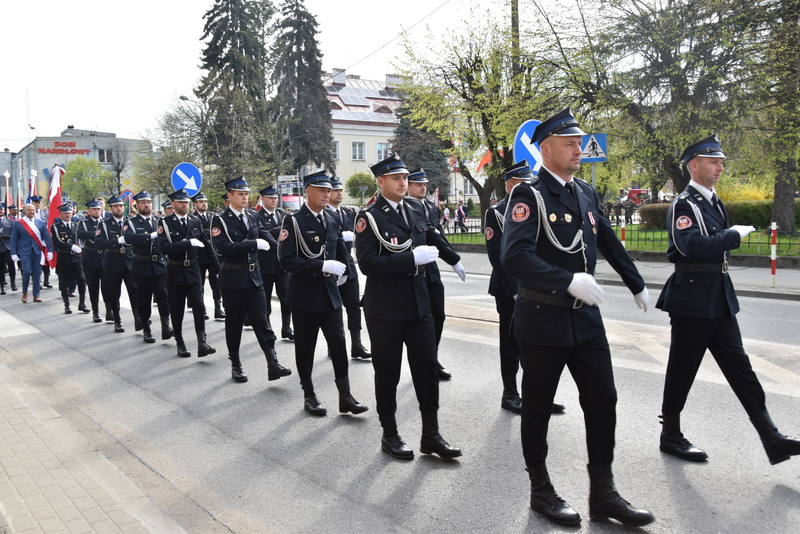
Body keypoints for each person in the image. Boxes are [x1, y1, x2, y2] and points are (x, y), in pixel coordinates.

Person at [501, 109, 653, 527]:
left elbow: (605, 236)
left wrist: (635, 281)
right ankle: (541, 490)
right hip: (542, 317)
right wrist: (567, 280)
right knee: (536, 410)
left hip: (585, 320)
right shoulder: (528, 195)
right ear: (545, 149)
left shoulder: (584, 191)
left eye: (579, 142)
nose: (578, 149)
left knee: (604, 401)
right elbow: (514, 257)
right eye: (569, 143)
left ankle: (603, 493)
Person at [655, 135, 800, 465]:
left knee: (741, 369)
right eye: (713, 161)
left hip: (718, 296)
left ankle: (771, 438)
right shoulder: (684, 204)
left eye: (721, 162)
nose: (720, 167)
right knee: (683, 370)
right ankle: (670, 435)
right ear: (694, 165)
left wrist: (727, 236)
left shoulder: (713, 202)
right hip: (692, 298)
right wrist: (733, 235)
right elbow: (691, 246)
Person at [355, 154, 461, 461]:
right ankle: (390, 434)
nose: (403, 183)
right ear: (381, 182)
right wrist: (410, 259)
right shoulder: (370, 217)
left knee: (426, 371)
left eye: (405, 178)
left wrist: (453, 258)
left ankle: (431, 434)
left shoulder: (416, 208)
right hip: (385, 308)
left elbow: (432, 236)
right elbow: (368, 264)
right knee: (387, 374)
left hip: (418, 304)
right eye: (396, 179)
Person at [278, 171, 368, 416]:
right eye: (322, 190)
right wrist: (320, 266)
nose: (327, 194)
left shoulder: (332, 217)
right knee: (306, 348)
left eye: (329, 190)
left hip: (330, 293)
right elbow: (286, 261)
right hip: (305, 295)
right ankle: (309, 395)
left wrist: (346, 272)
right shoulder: (294, 221)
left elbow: (339, 247)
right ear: (308, 191)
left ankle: (345, 396)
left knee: (339, 345)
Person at [485, 161, 565, 415]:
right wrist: (516, 289)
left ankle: (538, 394)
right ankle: (510, 393)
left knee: (538, 344)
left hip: (536, 289)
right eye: (522, 182)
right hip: (510, 289)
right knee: (510, 343)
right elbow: (497, 257)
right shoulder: (497, 213)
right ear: (509, 185)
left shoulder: (535, 207)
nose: (528, 185)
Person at [210, 176, 291, 383]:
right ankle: (236, 364)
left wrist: (283, 251)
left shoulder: (252, 216)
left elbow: (266, 236)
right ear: (230, 196)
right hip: (233, 279)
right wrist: (252, 244)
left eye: (246, 194)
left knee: (261, 321)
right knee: (234, 323)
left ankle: (272, 363)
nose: (245, 197)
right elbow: (222, 248)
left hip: (255, 278)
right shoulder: (220, 219)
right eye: (240, 194)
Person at [406, 168, 465, 379]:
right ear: (409, 186)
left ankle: (432, 359)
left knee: (438, 316)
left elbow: (438, 234)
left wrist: (452, 257)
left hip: (431, 268)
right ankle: (423, 363)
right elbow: (430, 236)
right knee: (419, 321)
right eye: (418, 184)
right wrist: (453, 259)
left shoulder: (430, 206)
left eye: (424, 184)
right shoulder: (407, 208)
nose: (423, 187)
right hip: (413, 267)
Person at [158, 189, 217, 358]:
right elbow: (164, 248)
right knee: (177, 310)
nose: (184, 205)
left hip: (193, 269)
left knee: (198, 306)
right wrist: (186, 243)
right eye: (181, 202)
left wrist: (218, 270)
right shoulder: (165, 222)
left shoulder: (194, 220)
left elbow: (207, 246)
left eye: (186, 202)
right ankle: (180, 343)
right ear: (174, 204)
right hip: (175, 270)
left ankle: (202, 342)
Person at [326, 179, 371, 359]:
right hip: (330, 268)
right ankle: (333, 344)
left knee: (354, 308)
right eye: (335, 190)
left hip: (348, 267)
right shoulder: (323, 214)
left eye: (341, 190)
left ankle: (356, 344)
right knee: (332, 310)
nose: (339, 193)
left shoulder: (348, 213)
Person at [123, 191, 173, 344]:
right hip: (142, 265)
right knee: (144, 298)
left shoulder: (159, 220)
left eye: (149, 202)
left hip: (159, 264)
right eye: (143, 202)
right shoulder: (131, 222)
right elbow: (128, 238)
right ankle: (146, 328)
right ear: (137, 205)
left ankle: (166, 326)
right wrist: (149, 236)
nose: (146, 205)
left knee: (163, 296)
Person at [95, 195, 141, 333]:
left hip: (129, 260)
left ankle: (138, 319)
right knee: (114, 293)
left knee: (135, 291)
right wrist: (117, 241)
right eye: (116, 206)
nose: (119, 208)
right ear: (111, 208)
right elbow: (99, 243)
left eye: (121, 206)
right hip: (113, 260)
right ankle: (117, 320)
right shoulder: (104, 224)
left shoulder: (130, 222)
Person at [255, 186, 293, 339]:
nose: (274, 200)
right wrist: (280, 230)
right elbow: (264, 235)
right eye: (270, 198)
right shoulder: (257, 216)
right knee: (266, 299)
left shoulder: (283, 214)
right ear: (262, 199)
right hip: (266, 264)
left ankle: (286, 327)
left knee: (286, 297)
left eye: (275, 198)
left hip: (282, 264)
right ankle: (268, 328)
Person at [10, 203, 54, 303]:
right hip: (24, 251)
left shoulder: (40, 222)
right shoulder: (19, 223)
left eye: (33, 210)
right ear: (25, 211)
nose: (32, 212)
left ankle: (36, 295)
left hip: (37, 251)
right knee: (27, 271)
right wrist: (13, 253)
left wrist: (50, 250)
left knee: (37, 273)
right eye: (29, 210)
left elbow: (46, 237)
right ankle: (25, 292)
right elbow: (14, 239)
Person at [50, 203, 88, 314]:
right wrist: (71, 246)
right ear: (60, 214)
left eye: (69, 212)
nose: (67, 215)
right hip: (64, 258)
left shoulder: (76, 225)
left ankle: (82, 303)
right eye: (65, 213)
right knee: (64, 282)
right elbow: (57, 242)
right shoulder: (56, 227)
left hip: (76, 258)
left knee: (81, 280)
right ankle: (67, 305)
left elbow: (82, 237)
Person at [192, 191, 225, 320]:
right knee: (199, 285)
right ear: (195, 204)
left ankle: (218, 308)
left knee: (216, 283)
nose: (204, 204)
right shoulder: (192, 218)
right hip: (199, 257)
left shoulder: (213, 217)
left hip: (214, 256)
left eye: (205, 202)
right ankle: (202, 309)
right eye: (201, 202)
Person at [76, 200, 108, 323]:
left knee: (107, 286)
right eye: (94, 209)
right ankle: (96, 311)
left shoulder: (105, 222)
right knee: (93, 287)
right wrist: (96, 233)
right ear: (89, 211)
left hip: (105, 257)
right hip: (91, 257)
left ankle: (109, 310)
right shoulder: (83, 223)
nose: (96, 211)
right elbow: (81, 234)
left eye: (98, 209)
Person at [30, 195, 53, 289]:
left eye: (39, 202)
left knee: (46, 262)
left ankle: (46, 281)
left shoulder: (45, 213)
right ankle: (37, 281)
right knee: (36, 263)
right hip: (34, 242)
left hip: (44, 241)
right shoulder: (26, 215)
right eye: (35, 202)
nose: (37, 204)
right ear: (32, 203)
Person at [0, 203, 18, 294]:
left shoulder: (9, 221)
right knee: (1, 267)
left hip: (8, 246)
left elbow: (14, 233)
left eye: (2, 209)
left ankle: (13, 283)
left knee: (11, 264)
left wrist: (7, 237)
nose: (1, 211)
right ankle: (2, 286)